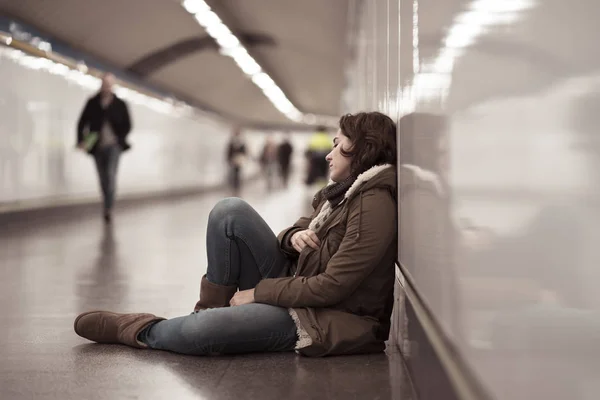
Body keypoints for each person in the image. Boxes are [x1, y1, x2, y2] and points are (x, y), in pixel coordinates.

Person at [73, 111, 398, 357]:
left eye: (338, 145)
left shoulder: (373, 205)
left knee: (204, 334)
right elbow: (298, 227)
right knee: (229, 212)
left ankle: (142, 329)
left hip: (326, 317)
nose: (328, 154)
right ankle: (209, 312)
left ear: (362, 149)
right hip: (299, 279)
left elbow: (332, 289)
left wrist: (258, 293)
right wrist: (293, 236)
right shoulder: (342, 193)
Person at [76, 72, 132, 223]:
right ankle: (106, 203)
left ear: (112, 85)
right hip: (97, 146)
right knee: (102, 178)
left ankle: (109, 208)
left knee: (111, 175)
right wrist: (81, 140)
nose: (106, 87)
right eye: (104, 84)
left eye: (109, 84)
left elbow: (128, 125)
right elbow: (82, 122)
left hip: (114, 146)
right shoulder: (93, 102)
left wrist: (120, 139)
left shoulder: (120, 104)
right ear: (101, 84)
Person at [226, 127, 247, 196]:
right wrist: (230, 160)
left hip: (239, 162)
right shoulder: (232, 142)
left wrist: (241, 159)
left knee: (238, 175)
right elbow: (228, 152)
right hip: (233, 162)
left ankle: (237, 189)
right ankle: (233, 189)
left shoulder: (242, 143)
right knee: (232, 176)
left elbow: (244, 152)